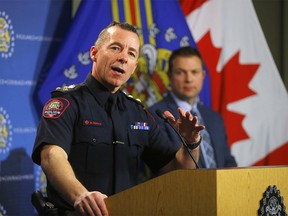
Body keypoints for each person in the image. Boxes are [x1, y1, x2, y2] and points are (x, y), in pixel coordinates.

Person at [32, 21, 205, 216]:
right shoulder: (67, 104)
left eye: (131, 54)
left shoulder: (139, 113)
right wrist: (80, 195)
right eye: (115, 48)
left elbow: (176, 170)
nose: (123, 58)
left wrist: (191, 144)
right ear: (94, 53)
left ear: (134, 67)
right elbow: (51, 156)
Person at [149, 46, 237, 169]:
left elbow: (227, 160)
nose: (189, 79)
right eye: (180, 72)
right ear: (169, 76)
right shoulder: (156, 116)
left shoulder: (214, 117)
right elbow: (163, 167)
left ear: (203, 75)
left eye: (194, 72)